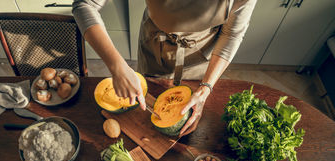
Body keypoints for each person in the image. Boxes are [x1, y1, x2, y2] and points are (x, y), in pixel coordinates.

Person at [73, 0, 257, 136]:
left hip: (203, 53)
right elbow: (84, 4)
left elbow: (232, 33)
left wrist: (205, 88)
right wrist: (117, 66)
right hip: (155, 45)